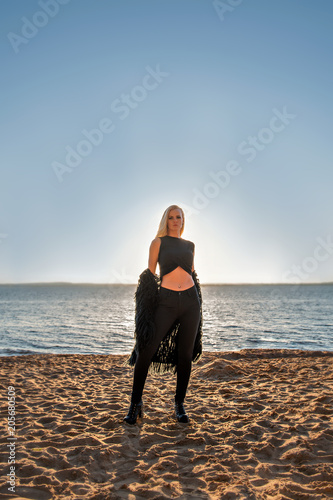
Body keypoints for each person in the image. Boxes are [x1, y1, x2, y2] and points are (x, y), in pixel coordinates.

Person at [123, 204, 203, 425]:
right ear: (165, 220)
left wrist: (196, 297)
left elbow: (193, 273)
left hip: (190, 301)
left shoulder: (190, 245)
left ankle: (179, 404)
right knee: (145, 350)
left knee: (185, 355)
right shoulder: (157, 242)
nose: (176, 220)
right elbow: (149, 277)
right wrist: (145, 311)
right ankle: (135, 403)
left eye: (179, 217)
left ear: (183, 220)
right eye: (171, 217)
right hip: (166, 301)